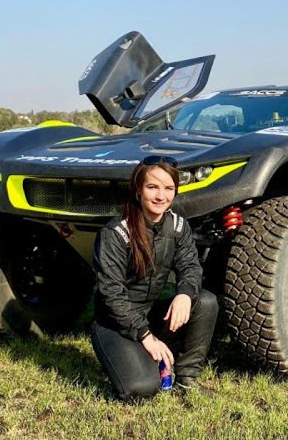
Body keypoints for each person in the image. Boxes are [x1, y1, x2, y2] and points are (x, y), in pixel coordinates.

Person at [90, 155, 219, 401]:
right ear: (138, 190)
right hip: (114, 322)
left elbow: (191, 266)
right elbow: (111, 295)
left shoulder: (179, 226)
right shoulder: (115, 233)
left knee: (206, 301)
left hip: (151, 311)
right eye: (153, 187)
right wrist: (146, 336)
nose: (161, 196)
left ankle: (187, 378)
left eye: (169, 188)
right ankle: (143, 357)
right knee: (142, 389)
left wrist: (184, 293)